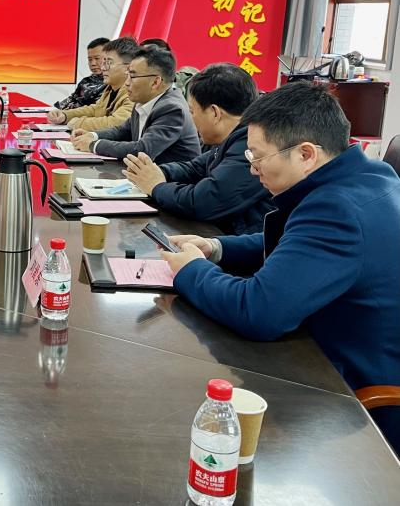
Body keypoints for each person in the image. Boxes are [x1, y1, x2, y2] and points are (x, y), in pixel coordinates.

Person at [161, 82, 400, 450]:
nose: (252, 169)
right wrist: (215, 248)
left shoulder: (336, 210)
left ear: (305, 154)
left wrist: (191, 270)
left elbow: (258, 311)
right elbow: (299, 245)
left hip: (351, 393)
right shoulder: (370, 176)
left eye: (258, 157)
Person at [122, 63, 273, 235]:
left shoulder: (251, 146)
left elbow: (204, 202)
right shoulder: (234, 137)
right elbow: (195, 168)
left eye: (192, 111)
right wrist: (154, 172)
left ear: (215, 113)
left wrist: (156, 186)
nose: (191, 119)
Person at [72, 46, 201, 164]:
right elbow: (123, 131)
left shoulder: (172, 108)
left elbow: (143, 150)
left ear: (155, 82)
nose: (127, 83)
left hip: (172, 180)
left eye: (132, 77)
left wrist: (93, 145)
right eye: (128, 75)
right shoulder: (143, 100)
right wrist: (93, 135)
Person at [48, 38, 137, 131]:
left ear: (128, 68)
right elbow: (96, 110)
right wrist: (65, 115)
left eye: (109, 63)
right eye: (104, 63)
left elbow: (116, 123)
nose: (103, 68)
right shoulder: (111, 89)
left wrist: (78, 123)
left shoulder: (134, 93)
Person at [53, 37, 109, 111]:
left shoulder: (112, 84)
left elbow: (95, 110)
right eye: (90, 59)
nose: (93, 63)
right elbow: (70, 100)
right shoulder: (86, 81)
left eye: (97, 58)